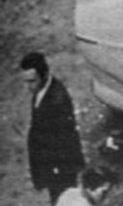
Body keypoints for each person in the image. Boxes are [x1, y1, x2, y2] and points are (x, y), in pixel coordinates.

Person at [20, 52, 85, 204]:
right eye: (26, 82)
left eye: (32, 81)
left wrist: (54, 171)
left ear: (44, 75)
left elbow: (64, 140)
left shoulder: (57, 101)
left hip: (60, 169)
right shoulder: (43, 90)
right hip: (51, 166)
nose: (28, 87)